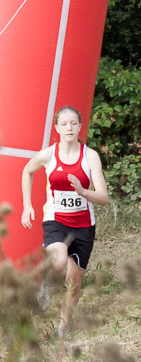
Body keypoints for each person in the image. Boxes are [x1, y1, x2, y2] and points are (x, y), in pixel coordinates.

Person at [20, 106, 109, 339]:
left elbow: (103, 197)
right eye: (64, 124)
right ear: (57, 128)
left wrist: (83, 191)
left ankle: (63, 327)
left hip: (83, 226)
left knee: (74, 282)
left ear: (80, 127)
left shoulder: (90, 156)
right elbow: (26, 172)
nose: (69, 128)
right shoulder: (48, 154)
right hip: (55, 220)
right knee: (58, 262)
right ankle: (46, 285)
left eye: (73, 123)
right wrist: (28, 206)